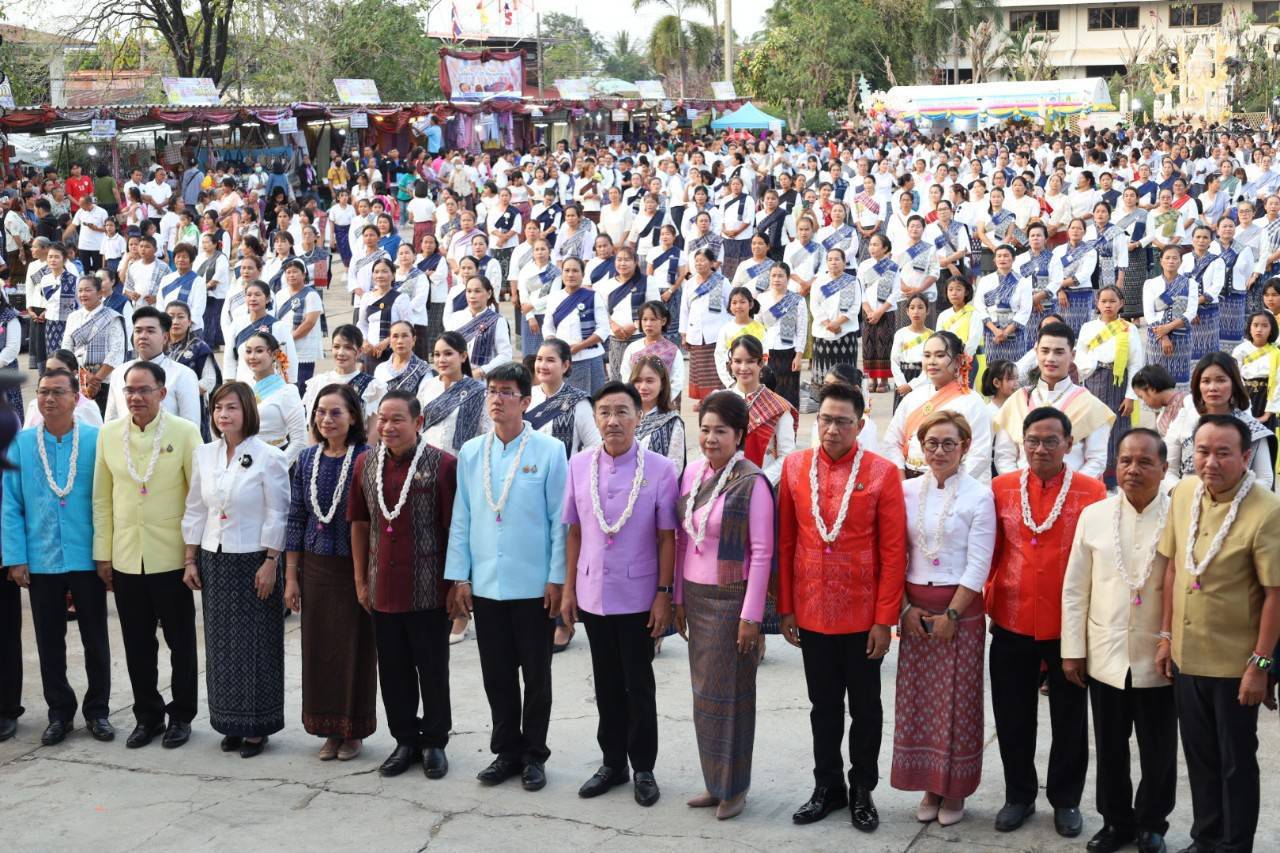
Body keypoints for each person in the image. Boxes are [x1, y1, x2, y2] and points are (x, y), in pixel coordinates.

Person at [778, 381, 906, 833]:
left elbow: (893, 554)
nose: (832, 429)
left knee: (866, 710)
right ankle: (827, 786)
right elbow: (787, 541)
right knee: (823, 707)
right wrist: (787, 609)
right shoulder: (795, 468)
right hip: (811, 611)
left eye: (842, 421)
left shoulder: (883, 473)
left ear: (861, 424)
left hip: (863, 614)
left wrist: (884, 620)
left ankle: (862, 790)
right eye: (825, 420)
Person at [1154, 414, 1280, 853]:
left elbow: (1275, 596)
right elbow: (1173, 567)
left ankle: (1234, 845)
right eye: (1203, 451)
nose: (1211, 462)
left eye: (1223, 452)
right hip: (1189, 655)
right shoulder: (1184, 492)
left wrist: (1260, 665)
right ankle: (1205, 839)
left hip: (1234, 665)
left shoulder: (1266, 511)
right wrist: (1166, 635)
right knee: (1201, 758)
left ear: (1246, 456)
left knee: (1235, 763)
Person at [445, 363, 568, 793]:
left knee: (536, 676)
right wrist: (459, 577)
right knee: (496, 674)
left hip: (534, 585)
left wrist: (557, 580)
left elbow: (559, 522)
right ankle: (506, 751)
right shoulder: (472, 451)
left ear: (526, 401)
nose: (497, 399)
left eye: (507, 392)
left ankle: (534, 754)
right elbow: (462, 516)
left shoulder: (550, 451)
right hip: (487, 583)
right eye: (492, 391)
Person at [986, 407, 1107, 837]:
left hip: (1068, 626)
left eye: (1051, 441)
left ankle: (1066, 800)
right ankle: (1019, 795)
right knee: (1013, 715)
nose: (1040, 448)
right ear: (1022, 441)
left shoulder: (1092, 492)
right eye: (1032, 440)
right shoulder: (1000, 489)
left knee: (1070, 719)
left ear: (1069, 445)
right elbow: (991, 552)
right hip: (1012, 619)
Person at [560, 381, 677, 808]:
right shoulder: (578, 465)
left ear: (638, 416)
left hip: (639, 596)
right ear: (595, 419)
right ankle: (612, 763)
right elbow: (574, 532)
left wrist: (664, 594)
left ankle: (643, 766)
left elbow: (668, 538)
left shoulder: (661, 468)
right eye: (605, 412)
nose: (613, 420)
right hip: (593, 593)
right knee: (606, 683)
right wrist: (569, 589)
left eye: (622, 411)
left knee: (638, 684)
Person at [1060, 429, 1177, 853]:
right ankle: (1116, 822)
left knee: (1158, 750)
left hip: (1159, 656)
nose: (1133, 469)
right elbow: (1075, 589)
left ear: (1164, 468)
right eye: (1126, 460)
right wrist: (1072, 650)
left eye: (1145, 462)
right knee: (1109, 747)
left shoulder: (1180, 516)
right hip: (1105, 654)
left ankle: (1152, 824)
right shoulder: (1094, 515)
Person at [670, 390, 773, 820]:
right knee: (704, 696)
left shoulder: (752, 482)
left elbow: (763, 552)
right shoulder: (692, 473)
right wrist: (676, 598)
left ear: (740, 435)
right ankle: (714, 782)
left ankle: (735, 787)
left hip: (733, 601)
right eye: (706, 430)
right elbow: (680, 540)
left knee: (733, 697)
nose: (711, 438)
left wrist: (751, 616)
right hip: (695, 597)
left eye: (721, 431)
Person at [891, 410, 995, 827]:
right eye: (931, 443)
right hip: (915, 611)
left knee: (958, 702)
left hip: (960, 611)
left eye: (949, 443)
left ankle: (955, 790)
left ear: (965, 447)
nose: (939, 451)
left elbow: (979, 561)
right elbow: (895, 554)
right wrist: (903, 608)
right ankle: (929, 786)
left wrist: (954, 611)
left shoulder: (978, 495)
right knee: (920, 704)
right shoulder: (906, 491)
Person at [92, 361, 203, 749]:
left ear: (162, 393)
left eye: (144, 390)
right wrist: (102, 555)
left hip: (171, 556)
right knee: (137, 644)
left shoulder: (185, 433)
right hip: (125, 557)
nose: (136, 397)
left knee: (181, 643)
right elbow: (102, 500)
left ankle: (182, 716)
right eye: (129, 390)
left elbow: (197, 499)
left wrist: (192, 554)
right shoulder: (108, 435)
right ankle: (148, 715)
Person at [349, 390, 457, 779]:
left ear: (418, 422)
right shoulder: (365, 463)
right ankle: (405, 740)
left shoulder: (442, 465)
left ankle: (434, 743)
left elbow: (453, 530)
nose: (388, 427)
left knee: (432, 669)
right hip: (382, 587)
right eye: (382, 419)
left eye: (397, 420)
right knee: (392, 670)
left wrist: (457, 585)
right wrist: (361, 579)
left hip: (428, 588)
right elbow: (359, 524)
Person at [2, 370, 113, 745]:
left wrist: (106, 555)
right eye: (43, 392)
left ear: (76, 397)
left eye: (58, 392)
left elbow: (109, 501)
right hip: (42, 558)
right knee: (50, 642)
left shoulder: (98, 441)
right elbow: (11, 504)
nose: (49, 399)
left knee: (95, 639)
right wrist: (16, 558)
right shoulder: (21, 444)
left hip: (87, 557)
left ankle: (98, 711)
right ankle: (59, 713)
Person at [181, 381, 289, 757]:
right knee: (221, 645)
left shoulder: (268, 457)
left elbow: (278, 512)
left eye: (231, 408)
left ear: (247, 412)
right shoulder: (204, 454)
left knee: (256, 645)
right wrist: (190, 557)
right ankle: (229, 722)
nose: (223, 415)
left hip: (254, 559)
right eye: (217, 408)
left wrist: (271, 562)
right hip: (215, 557)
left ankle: (257, 727)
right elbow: (196, 507)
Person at [286, 384, 376, 762]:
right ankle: (327, 729)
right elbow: (295, 518)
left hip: (354, 568)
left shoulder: (368, 458)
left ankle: (352, 732)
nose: (327, 419)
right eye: (321, 412)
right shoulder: (306, 460)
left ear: (353, 416)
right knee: (320, 650)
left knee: (354, 650)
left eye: (336, 412)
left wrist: (367, 577)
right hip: (316, 567)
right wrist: (291, 576)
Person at [993, 322, 1115, 478]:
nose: (1050, 358)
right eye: (1045, 351)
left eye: (1059, 352)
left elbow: (1096, 461)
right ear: (1036, 352)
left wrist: (1066, 489)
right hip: (1021, 491)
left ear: (1072, 355)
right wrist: (1024, 487)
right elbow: (1004, 456)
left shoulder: (1090, 405)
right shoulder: (1017, 401)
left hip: (1072, 494)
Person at [883, 330, 993, 482]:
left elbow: (979, 454)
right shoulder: (913, 396)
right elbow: (892, 440)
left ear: (957, 361)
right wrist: (901, 477)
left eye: (940, 355)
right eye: (927, 355)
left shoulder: (972, 402)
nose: (931, 361)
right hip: (907, 481)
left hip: (952, 486)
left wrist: (945, 485)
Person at [1161, 352, 1274, 492]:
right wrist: (1185, 495)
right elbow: (1166, 469)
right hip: (1188, 503)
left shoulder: (1252, 428)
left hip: (1237, 506)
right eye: (1206, 381)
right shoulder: (1184, 418)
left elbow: (1265, 478)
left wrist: (1232, 499)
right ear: (1198, 385)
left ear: (1234, 384)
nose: (1212, 387)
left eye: (1221, 380)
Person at [1076, 285, 1146, 485]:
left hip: (1118, 382)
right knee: (1093, 428)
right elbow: (1080, 355)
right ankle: (1092, 478)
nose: (1108, 305)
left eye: (1112, 301)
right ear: (1097, 303)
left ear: (1121, 303)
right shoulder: (1088, 328)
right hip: (1092, 380)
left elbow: (1135, 363)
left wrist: (1131, 396)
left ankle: (1116, 478)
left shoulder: (1129, 328)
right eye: (1103, 301)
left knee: (1117, 430)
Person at [104, 306, 202, 426]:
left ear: (165, 337)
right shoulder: (119, 373)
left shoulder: (183, 375)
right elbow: (110, 422)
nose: (143, 336)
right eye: (138, 331)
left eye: (150, 331)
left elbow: (191, 426)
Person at [725, 336, 796, 485]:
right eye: (738, 361)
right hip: (723, 483)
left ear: (761, 363)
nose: (743, 368)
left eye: (750, 361)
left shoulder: (778, 407)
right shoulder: (720, 399)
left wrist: (758, 481)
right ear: (731, 364)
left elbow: (787, 455)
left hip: (762, 483)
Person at [543, 256, 608, 395]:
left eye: (575, 271)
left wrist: (580, 346)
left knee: (593, 400)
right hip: (562, 359)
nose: (570, 274)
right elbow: (548, 327)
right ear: (562, 274)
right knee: (565, 401)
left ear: (582, 275)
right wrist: (555, 346)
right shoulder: (554, 297)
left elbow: (603, 329)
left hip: (590, 356)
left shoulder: (593, 296)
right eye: (566, 270)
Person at [63, 274, 127, 414]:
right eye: (80, 291)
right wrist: (82, 375)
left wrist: (96, 380)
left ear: (99, 293)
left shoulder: (112, 317)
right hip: (78, 379)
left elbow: (116, 352)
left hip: (105, 381)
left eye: (87, 290)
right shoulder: (73, 317)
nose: (83, 294)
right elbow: (66, 349)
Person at [527, 338, 600, 458]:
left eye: (550, 360)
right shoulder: (525, 397)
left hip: (564, 474)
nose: (542, 365)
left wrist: (573, 466)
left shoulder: (578, 401)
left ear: (565, 365)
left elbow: (594, 445)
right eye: (539, 359)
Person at [302, 325, 386, 425]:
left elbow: (373, 430)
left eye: (348, 347)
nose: (341, 353)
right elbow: (313, 426)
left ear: (359, 352)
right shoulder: (318, 383)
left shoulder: (372, 387)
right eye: (336, 347)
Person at [1144, 244, 1199, 390]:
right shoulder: (1150, 284)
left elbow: (1191, 312)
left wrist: (1168, 328)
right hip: (1156, 338)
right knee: (1156, 382)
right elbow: (1149, 314)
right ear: (1161, 260)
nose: (1171, 261)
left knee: (1179, 382)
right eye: (1167, 258)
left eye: (1175, 258)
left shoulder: (1190, 283)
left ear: (1181, 261)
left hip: (1181, 338)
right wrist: (1163, 336)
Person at [223, 280, 299, 385]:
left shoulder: (278, 327)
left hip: (270, 385)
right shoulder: (237, 324)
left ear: (267, 299)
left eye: (257, 295)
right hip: (243, 385)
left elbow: (289, 358)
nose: (253, 298)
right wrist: (230, 383)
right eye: (249, 295)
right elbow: (229, 357)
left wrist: (290, 383)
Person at [165, 301, 221, 441]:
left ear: (189, 321)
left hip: (191, 405)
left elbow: (209, 380)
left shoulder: (199, 347)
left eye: (180, 317)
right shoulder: (158, 345)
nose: (175, 321)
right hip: (161, 405)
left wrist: (182, 392)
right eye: (171, 316)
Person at [681, 248, 731, 402]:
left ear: (711, 263)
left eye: (702, 260)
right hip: (696, 332)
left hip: (717, 332)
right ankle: (704, 399)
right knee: (701, 370)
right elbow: (684, 309)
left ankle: (718, 399)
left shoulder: (722, 281)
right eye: (696, 261)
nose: (699, 263)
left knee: (718, 368)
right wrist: (684, 334)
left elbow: (730, 304)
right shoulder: (689, 283)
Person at [757, 262, 807, 409]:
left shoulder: (798, 300)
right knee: (767, 394)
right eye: (773, 276)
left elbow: (802, 330)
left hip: (789, 352)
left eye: (780, 276)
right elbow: (758, 327)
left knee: (788, 395)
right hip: (767, 352)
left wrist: (799, 356)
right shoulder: (762, 298)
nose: (776, 279)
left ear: (787, 278)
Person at [859, 233, 902, 393]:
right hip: (868, 311)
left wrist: (880, 311)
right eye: (870, 244)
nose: (872, 248)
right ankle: (872, 378)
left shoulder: (892, 266)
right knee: (869, 345)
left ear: (885, 248)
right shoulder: (864, 266)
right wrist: (869, 310)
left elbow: (896, 291)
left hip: (886, 311)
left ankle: (884, 380)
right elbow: (860, 289)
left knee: (885, 345)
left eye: (876, 245)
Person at [447, 276, 512, 379]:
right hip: (457, 377)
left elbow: (505, 355)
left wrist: (482, 371)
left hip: (485, 379)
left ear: (489, 293)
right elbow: (447, 349)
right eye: (469, 291)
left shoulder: (497, 320)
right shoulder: (455, 318)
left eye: (477, 291)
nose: (472, 296)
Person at [630, 355, 685, 474]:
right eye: (638, 381)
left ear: (662, 384)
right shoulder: (624, 417)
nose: (643, 387)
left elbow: (675, 469)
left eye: (650, 381)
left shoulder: (672, 422)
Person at [277, 258, 324, 394]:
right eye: (288, 272)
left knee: (301, 387)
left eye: (295, 272)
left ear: (303, 274)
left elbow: (309, 322)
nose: (291, 275)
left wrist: (289, 338)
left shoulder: (311, 295)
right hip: (283, 347)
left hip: (303, 349)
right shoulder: (280, 294)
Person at [712, 287, 766, 390]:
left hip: (756, 380)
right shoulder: (725, 329)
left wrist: (758, 377)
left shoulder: (760, 328)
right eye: (734, 302)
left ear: (750, 304)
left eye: (742, 302)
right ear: (730, 306)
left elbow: (765, 354)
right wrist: (730, 383)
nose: (738, 306)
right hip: (733, 380)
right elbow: (719, 357)